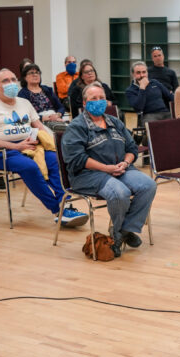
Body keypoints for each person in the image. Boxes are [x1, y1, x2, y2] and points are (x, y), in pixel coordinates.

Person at [0, 69, 89, 227]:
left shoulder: (24, 103)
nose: (11, 83)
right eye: (6, 81)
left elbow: (40, 127)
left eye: (13, 79)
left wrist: (53, 145)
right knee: (30, 167)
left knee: (55, 160)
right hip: (1, 151)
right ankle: (59, 210)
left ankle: (66, 203)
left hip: (30, 145)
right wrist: (16, 146)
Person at [62, 82, 157, 257]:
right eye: (93, 98)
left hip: (120, 169)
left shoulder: (114, 121)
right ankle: (122, 233)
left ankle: (122, 230)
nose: (99, 101)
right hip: (88, 175)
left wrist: (126, 163)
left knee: (148, 185)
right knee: (120, 193)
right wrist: (106, 168)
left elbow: (131, 148)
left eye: (102, 98)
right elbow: (77, 159)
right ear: (84, 103)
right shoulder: (76, 127)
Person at [18, 63, 67, 131]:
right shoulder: (22, 94)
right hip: (37, 123)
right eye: (31, 73)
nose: (35, 74)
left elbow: (61, 107)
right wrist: (42, 118)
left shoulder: (47, 90)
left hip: (55, 118)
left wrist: (58, 115)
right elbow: (24, 115)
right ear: (25, 77)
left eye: (37, 72)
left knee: (70, 130)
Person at [126, 61, 171, 127]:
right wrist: (142, 88)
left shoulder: (154, 82)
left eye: (144, 72)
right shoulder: (130, 90)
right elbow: (139, 108)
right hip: (149, 115)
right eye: (138, 73)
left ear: (147, 73)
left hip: (165, 113)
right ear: (133, 74)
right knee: (154, 130)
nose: (142, 75)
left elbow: (170, 96)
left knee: (177, 126)